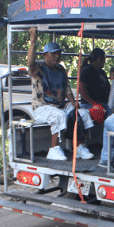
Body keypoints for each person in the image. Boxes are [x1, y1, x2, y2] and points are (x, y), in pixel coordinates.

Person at [27, 27, 94, 160]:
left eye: (58, 53)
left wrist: (73, 102)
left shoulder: (61, 69)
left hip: (60, 105)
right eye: (53, 54)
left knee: (82, 113)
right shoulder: (39, 67)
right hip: (42, 107)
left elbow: (67, 89)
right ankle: (53, 149)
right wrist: (33, 40)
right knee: (58, 116)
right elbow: (30, 62)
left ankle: (79, 147)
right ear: (45, 55)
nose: (57, 56)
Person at [78, 48, 111, 122]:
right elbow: (82, 90)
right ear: (99, 59)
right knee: (110, 115)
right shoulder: (87, 71)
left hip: (103, 103)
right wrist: (94, 103)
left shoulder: (102, 72)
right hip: (89, 104)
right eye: (104, 59)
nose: (105, 61)